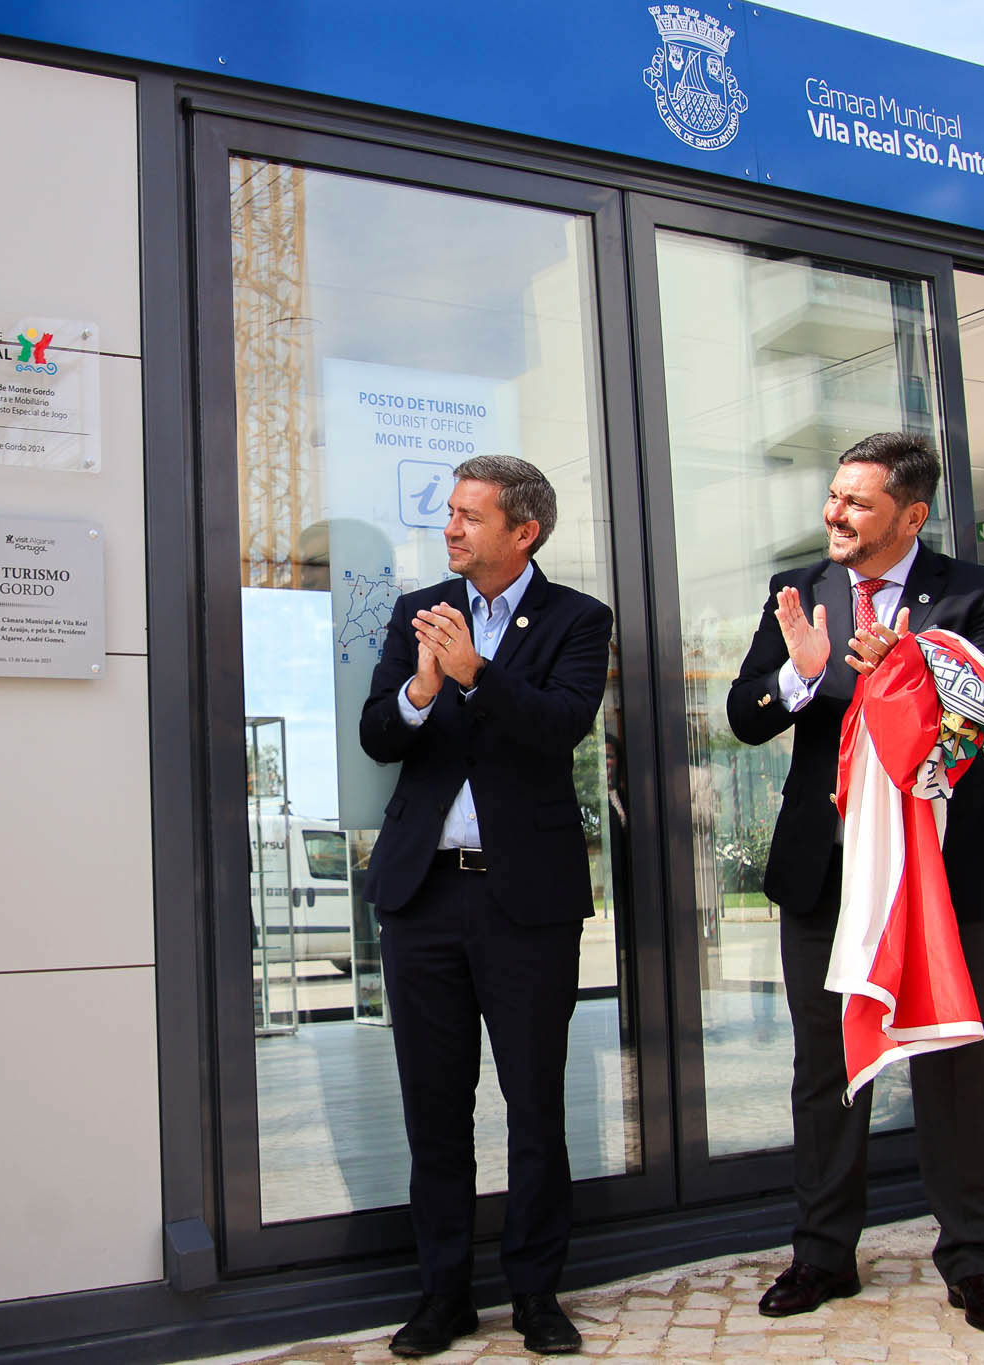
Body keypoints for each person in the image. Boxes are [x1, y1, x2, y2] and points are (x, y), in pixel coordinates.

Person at [726, 432, 984, 1335]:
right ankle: (822, 1253)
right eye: (834, 495)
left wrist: (912, 669)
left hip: (942, 878)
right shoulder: (800, 591)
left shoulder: (977, 595)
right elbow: (745, 713)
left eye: (857, 501)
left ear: (912, 513)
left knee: (957, 1067)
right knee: (825, 1071)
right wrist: (802, 673)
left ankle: (975, 1261)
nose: (835, 513)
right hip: (826, 872)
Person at [359, 455, 612, 1356]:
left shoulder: (579, 618)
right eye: (451, 513)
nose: (451, 528)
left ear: (523, 530)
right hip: (422, 895)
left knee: (534, 1104)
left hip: (526, 903)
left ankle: (537, 1293)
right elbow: (378, 734)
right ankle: (444, 1294)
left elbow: (559, 726)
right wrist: (422, 687)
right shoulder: (419, 610)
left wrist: (474, 673)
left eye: (470, 515)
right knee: (435, 1108)